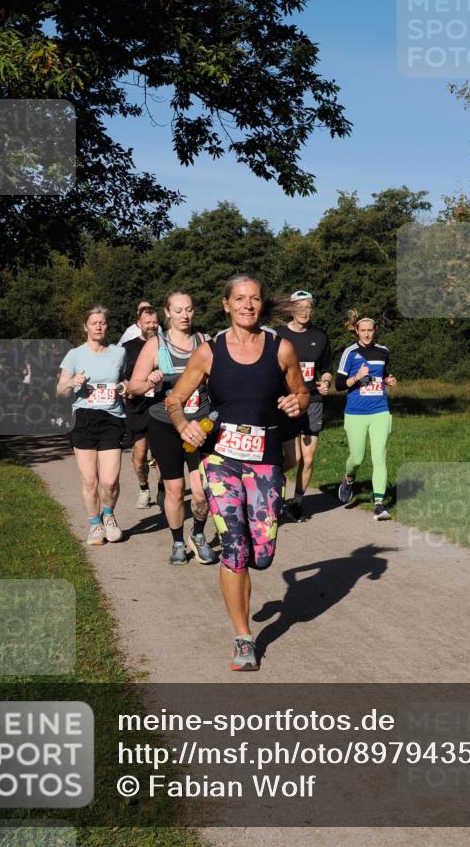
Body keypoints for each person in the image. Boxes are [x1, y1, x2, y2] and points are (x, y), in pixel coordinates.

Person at [167, 274, 308, 671]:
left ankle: (253, 569)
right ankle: (243, 637)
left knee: (261, 555)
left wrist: (297, 402)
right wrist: (184, 426)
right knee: (235, 547)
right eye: (240, 299)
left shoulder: (281, 349)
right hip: (220, 459)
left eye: (255, 299)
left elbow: (301, 391)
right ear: (226, 304)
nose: (248, 305)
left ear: (262, 305)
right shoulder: (209, 353)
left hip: (264, 459)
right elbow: (175, 400)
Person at [128, 291, 217, 567]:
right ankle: (178, 541)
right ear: (167, 312)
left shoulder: (205, 342)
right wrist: (150, 381)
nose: (185, 316)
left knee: (201, 489)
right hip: (164, 425)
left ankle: (199, 536)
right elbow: (133, 386)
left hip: (199, 425)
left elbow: (221, 380)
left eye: (189, 310)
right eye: (178, 310)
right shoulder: (156, 345)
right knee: (175, 490)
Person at [57, 306, 126, 545]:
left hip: (112, 417)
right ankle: (95, 525)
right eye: (93, 323)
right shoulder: (75, 355)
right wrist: (72, 382)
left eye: (102, 323)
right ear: (85, 327)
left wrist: (126, 387)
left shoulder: (119, 353)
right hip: (83, 418)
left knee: (110, 480)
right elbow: (59, 389)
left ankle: (109, 515)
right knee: (89, 480)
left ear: (107, 326)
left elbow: (126, 380)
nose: (98, 326)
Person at [274, 290, 333, 521]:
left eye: (308, 307)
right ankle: (270, 484)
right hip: (286, 402)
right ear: (291, 310)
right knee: (293, 457)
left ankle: (297, 503)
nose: (304, 311)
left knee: (308, 458)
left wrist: (326, 381)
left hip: (313, 401)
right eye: (299, 307)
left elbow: (327, 368)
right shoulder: (278, 335)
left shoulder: (320, 336)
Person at [336, 311, 397, 521]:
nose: (367, 334)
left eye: (370, 330)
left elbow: (383, 373)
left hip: (380, 410)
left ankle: (379, 504)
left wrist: (388, 380)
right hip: (355, 413)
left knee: (379, 456)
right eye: (363, 330)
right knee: (357, 458)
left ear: (375, 331)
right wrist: (357, 377)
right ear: (356, 331)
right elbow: (339, 384)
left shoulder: (383, 351)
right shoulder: (349, 353)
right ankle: (349, 478)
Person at [121, 305, 160, 509]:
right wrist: (125, 385)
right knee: (140, 452)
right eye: (148, 322)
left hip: (160, 404)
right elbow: (120, 376)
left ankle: (162, 488)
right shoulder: (127, 348)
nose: (152, 325)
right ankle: (144, 489)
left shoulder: (166, 345)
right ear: (139, 324)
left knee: (162, 452)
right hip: (138, 406)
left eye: (155, 322)